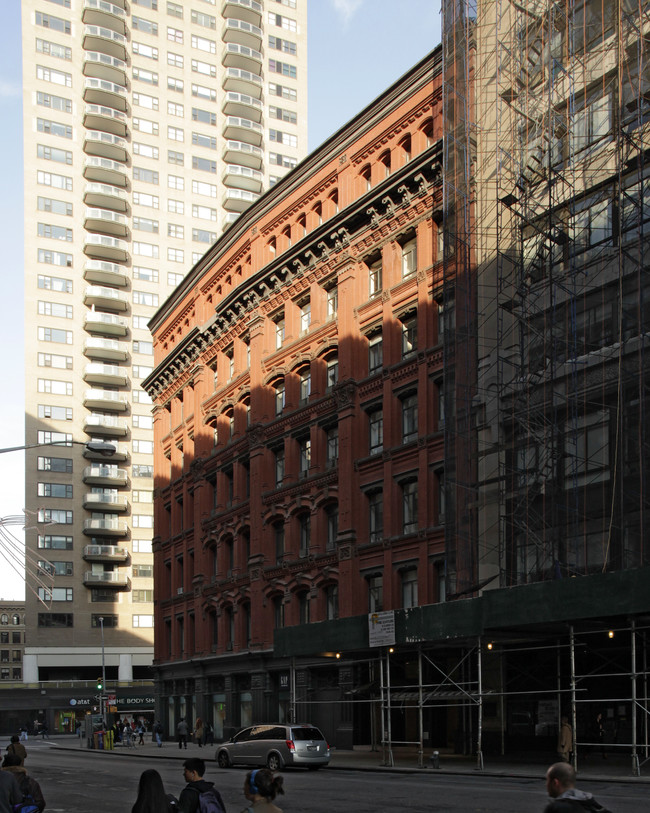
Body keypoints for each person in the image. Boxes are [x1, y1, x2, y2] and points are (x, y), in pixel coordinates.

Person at [544, 762, 612, 813]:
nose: (545, 784)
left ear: (555, 783)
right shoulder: (594, 805)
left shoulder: (556, 809)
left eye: (547, 780)